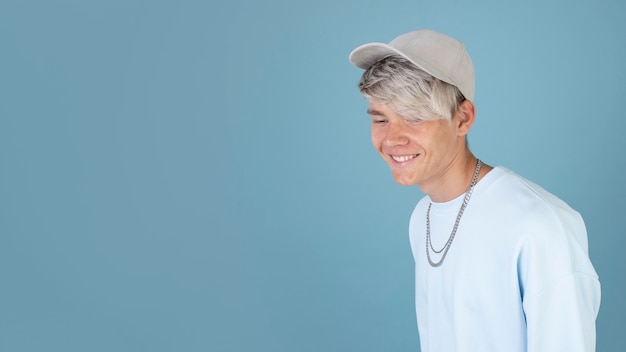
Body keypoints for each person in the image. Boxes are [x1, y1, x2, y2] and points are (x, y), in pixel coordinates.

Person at [348, 29, 601, 352]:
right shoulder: (423, 216)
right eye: (381, 119)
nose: (393, 139)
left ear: (462, 119)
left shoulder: (538, 224)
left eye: (413, 117)